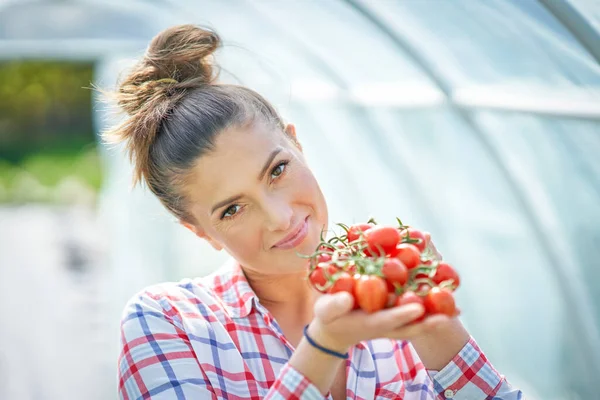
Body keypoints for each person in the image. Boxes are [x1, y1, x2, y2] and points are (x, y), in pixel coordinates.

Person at [109, 24, 524, 400]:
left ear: (297, 145)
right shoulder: (167, 322)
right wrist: (324, 345)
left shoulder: (390, 294)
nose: (279, 217)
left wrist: (432, 326)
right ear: (198, 230)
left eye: (278, 170)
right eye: (233, 209)